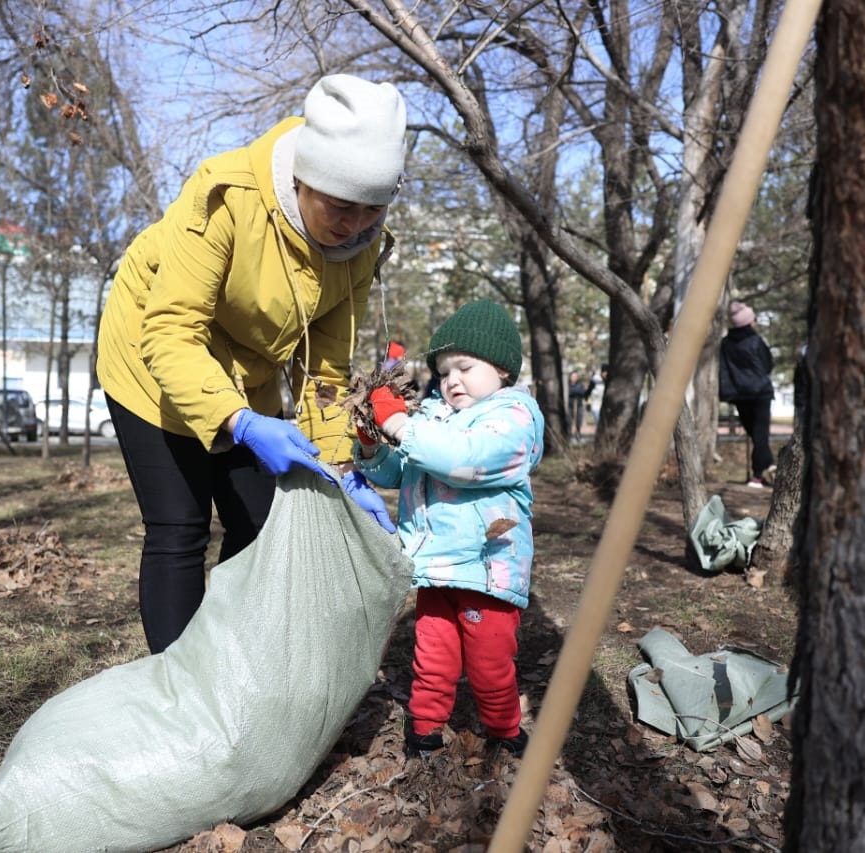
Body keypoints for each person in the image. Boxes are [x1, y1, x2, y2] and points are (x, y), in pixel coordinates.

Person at [96, 74, 406, 654]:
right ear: (302, 179)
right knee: (179, 526)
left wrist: (341, 466)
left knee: (260, 524)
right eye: (341, 206)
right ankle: (182, 690)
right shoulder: (226, 195)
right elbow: (170, 332)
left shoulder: (362, 245)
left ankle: (236, 664)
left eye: (373, 210)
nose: (356, 225)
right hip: (152, 354)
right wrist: (239, 423)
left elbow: (324, 371)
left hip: (247, 374)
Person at [352, 301, 545, 758]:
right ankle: (424, 729)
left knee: (489, 661)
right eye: (443, 372)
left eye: (465, 367)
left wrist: (399, 424)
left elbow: (466, 459)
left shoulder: (514, 418)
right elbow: (397, 473)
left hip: (486, 567)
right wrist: (372, 441)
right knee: (432, 655)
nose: (451, 380)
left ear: (500, 369)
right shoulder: (432, 418)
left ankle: (504, 728)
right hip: (435, 565)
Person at [719, 300, 775, 487]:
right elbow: (768, 364)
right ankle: (759, 475)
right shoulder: (755, 341)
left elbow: (724, 370)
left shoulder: (726, 344)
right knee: (760, 436)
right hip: (760, 393)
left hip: (740, 395)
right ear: (749, 321)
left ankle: (767, 466)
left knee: (756, 436)